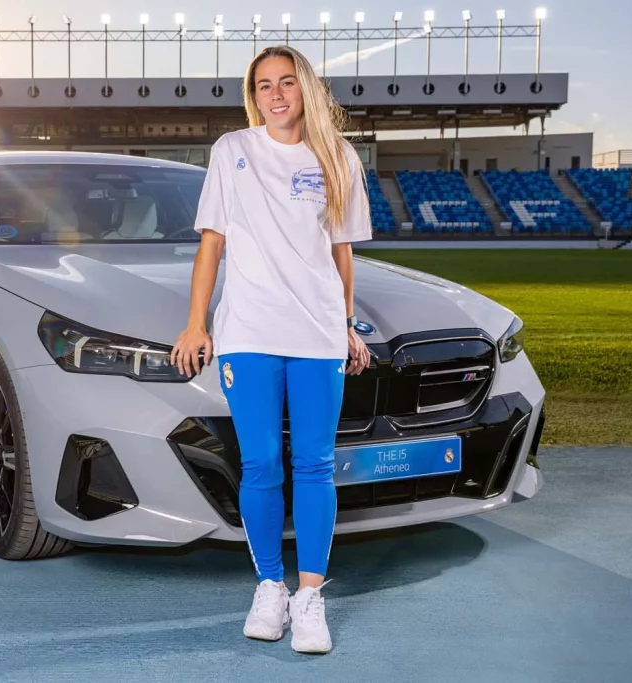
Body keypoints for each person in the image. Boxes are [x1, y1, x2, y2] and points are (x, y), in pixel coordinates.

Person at [168, 45, 373, 654]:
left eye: (286, 82)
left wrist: (346, 324)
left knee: (312, 465)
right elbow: (212, 243)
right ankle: (269, 587)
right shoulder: (232, 151)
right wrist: (195, 324)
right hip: (248, 333)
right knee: (259, 464)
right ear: (252, 95)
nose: (275, 94)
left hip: (315, 335)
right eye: (263, 85)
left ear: (305, 87)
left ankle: (310, 597)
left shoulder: (337, 157)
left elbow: (341, 253)